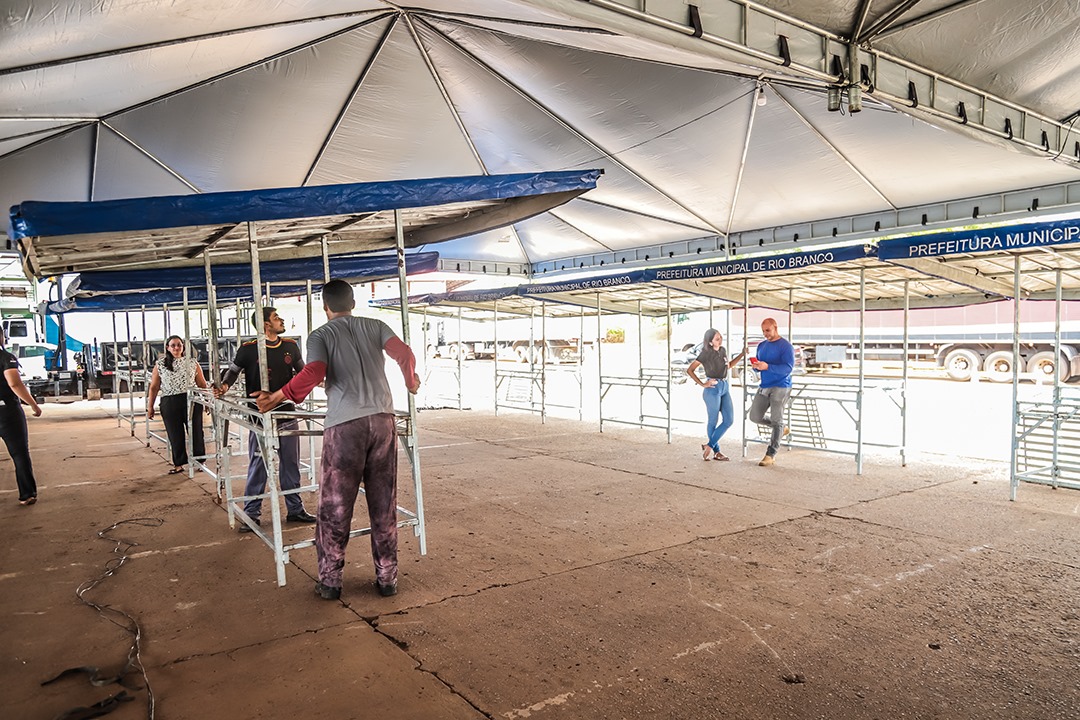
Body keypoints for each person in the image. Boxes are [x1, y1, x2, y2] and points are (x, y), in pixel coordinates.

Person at [253, 280, 420, 600]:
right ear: (353, 302)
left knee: (335, 505)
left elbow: (315, 371)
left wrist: (277, 396)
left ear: (325, 306)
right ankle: (387, 578)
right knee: (383, 503)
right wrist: (411, 383)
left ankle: (330, 581)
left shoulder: (321, 335)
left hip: (345, 427)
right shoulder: (376, 325)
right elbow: (404, 354)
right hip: (383, 421)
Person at [214, 307, 316, 530]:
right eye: (276, 318)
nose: (281, 320)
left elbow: (303, 373)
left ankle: (295, 509)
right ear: (266, 325)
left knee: (291, 464)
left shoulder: (290, 345)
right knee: (258, 465)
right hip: (260, 418)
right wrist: (223, 386)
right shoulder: (249, 349)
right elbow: (232, 372)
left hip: (286, 413)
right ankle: (252, 513)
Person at [147, 335, 208, 474]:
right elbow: (154, 387)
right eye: (173, 345)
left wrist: (206, 402)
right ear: (168, 348)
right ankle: (179, 463)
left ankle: (200, 461)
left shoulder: (192, 363)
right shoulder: (160, 364)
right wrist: (150, 406)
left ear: (183, 347)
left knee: (196, 431)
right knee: (175, 434)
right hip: (170, 402)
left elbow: (202, 384)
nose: (176, 347)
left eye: (179, 345)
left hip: (192, 400)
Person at [687, 329, 746, 462]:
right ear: (710, 342)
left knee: (729, 420)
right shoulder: (705, 354)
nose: (720, 340)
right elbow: (690, 370)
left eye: (720, 337)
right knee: (713, 421)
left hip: (724, 386)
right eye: (717, 339)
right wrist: (702, 384)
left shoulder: (722, 350)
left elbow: (728, 365)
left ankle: (709, 445)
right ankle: (717, 451)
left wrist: (742, 354)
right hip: (712, 388)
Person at [0, 327, 42, 505]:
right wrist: (33, 404)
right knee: (19, 454)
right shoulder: (5, 357)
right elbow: (14, 384)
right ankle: (27, 494)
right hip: (6, 411)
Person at [749, 318, 795, 467]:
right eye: (763, 331)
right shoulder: (761, 346)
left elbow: (788, 368)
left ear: (775, 328)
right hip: (765, 385)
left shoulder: (786, 346)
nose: (765, 334)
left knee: (776, 419)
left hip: (781, 386)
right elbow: (761, 366)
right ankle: (780, 428)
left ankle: (771, 454)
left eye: (768, 330)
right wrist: (757, 366)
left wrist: (768, 367)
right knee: (755, 416)